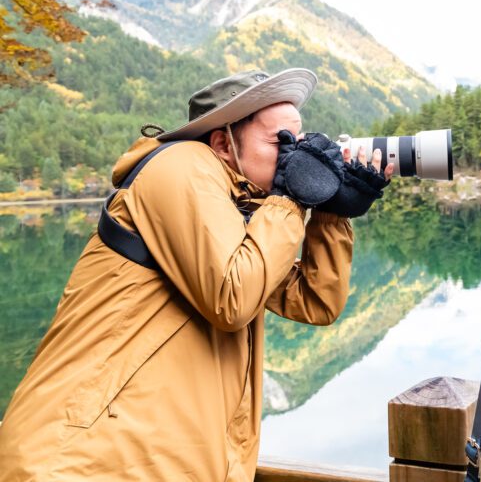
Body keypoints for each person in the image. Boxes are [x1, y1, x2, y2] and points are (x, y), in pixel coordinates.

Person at [0, 69, 391, 481]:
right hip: (82, 461)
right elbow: (234, 298)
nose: (294, 155)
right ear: (222, 143)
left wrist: (331, 213)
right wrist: (292, 197)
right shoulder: (180, 165)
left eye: (301, 141)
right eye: (281, 142)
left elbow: (315, 302)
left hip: (150, 462)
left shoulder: (242, 208)